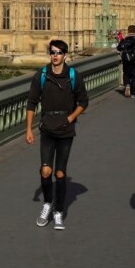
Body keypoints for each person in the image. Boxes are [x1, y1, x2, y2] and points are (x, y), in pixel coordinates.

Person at [25, 39, 90, 230]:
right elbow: (31, 102)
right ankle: (47, 203)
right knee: (46, 170)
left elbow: (83, 101)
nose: (55, 55)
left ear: (65, 55)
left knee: (60, 173)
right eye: (52, 52)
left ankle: (59, 211)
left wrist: (70, 118)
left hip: (65, 129)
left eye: (59, 52)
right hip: (46, 128)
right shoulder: (42, 75)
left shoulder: (73, 76)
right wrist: (28, 129)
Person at [117, 25, 135, 97]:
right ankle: (134, 93)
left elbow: (118, 49)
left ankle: (127, 85)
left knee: (126, 74)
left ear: (128, 30)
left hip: (126, 60)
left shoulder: (124, 40)